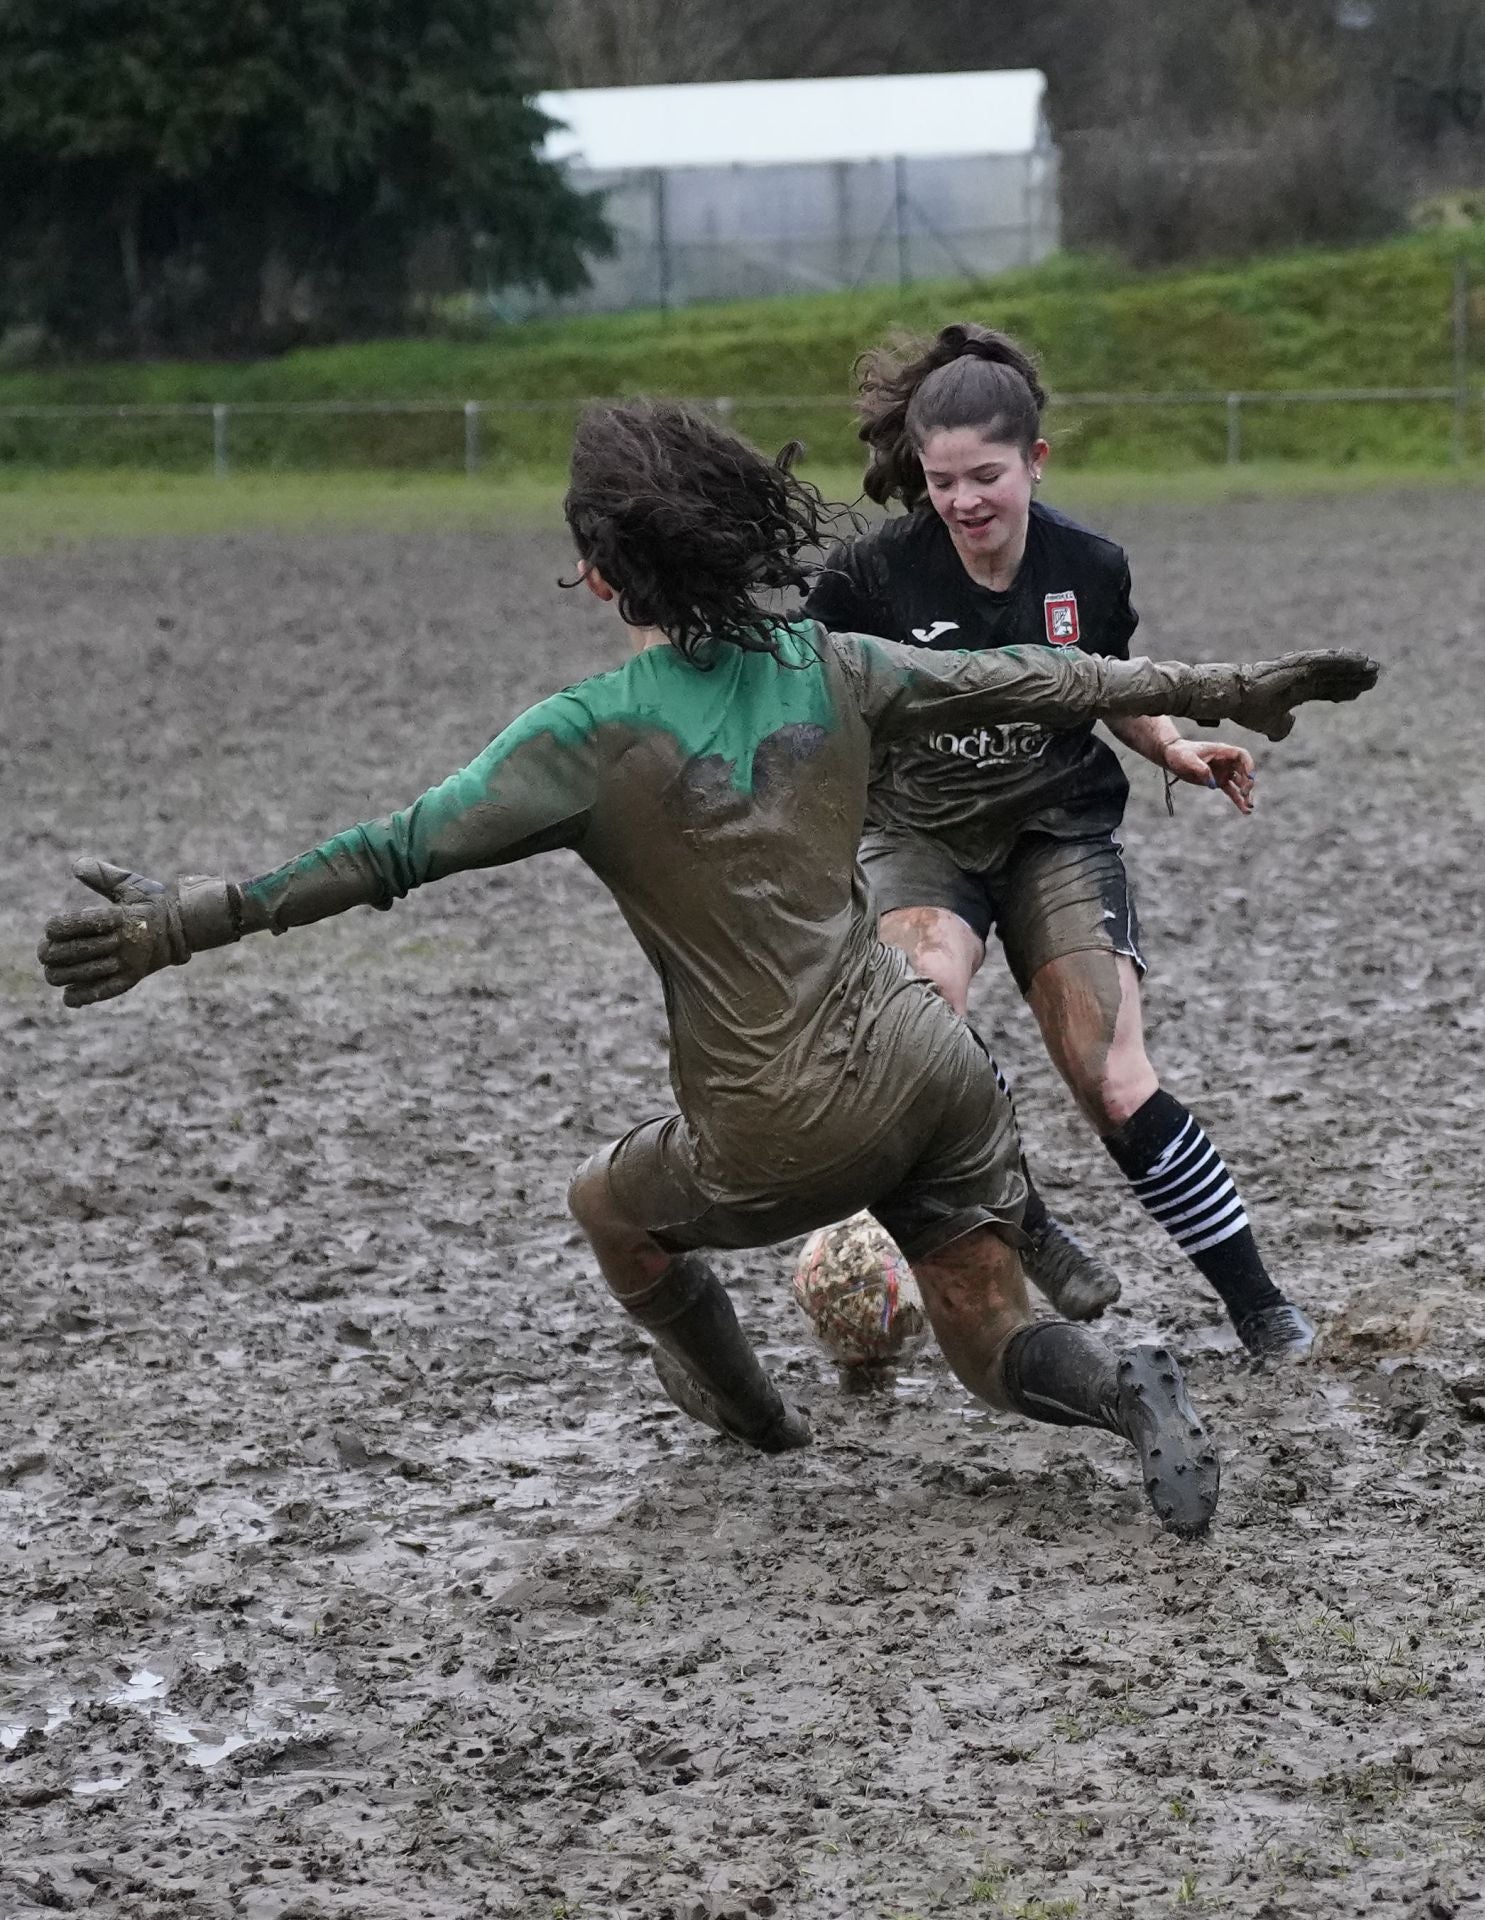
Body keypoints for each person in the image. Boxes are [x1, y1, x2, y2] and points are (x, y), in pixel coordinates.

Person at [37, 401, 1377, 1538]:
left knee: (608, 1205)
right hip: (931, 1063)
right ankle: (1125, 1384)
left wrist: (180, 925)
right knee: (980, 1337)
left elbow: (385, 852)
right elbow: (1034, 676)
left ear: (602, 575)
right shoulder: (830, 661)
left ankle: (759, 1416)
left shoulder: (583, 736)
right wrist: (1223, 685)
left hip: (778, 1118)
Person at [805, 324, 1320, 1360]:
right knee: (924, 1009)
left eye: (984, 477)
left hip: (1056, 828)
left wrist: (1170, 748)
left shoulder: (1088, 566)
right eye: (942, 481)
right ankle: (1030, 1220)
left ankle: (1261, 1307)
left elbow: (1112, 682)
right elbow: (811, 704)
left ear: (1034, 461)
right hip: (920, 835)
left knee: (1112, 1074)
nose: (962, 503)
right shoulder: (868, 580)